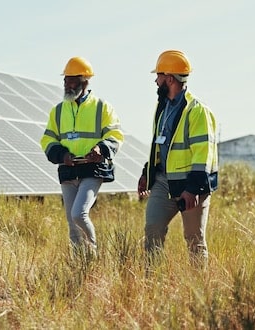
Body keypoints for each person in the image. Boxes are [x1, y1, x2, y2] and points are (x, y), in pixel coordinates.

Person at [137, 50, 219, 267]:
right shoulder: (161, 108)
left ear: (170, 79)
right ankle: (151, 283)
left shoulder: (197, 111)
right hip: (164, 183)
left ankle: (198, 291)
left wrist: (193, 189)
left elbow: (204, 154)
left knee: (194, 240)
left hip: (191, 186)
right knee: (152, 230)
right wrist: (148, 173)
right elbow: (159, 145)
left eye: (159, 76)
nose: (156, 80)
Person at [40, 56, 124, 255]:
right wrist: (61, 155)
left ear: (84, 81)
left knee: (79, 214)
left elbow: (115, 135)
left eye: (72, 80)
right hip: (68, 170)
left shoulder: (102, 107)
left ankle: (93, 254)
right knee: (72, 223)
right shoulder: (58, 111)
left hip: (92, 170)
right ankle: (80, 265)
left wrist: (100, 150)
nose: (67, 84)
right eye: (65, 80)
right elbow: (47, 140)